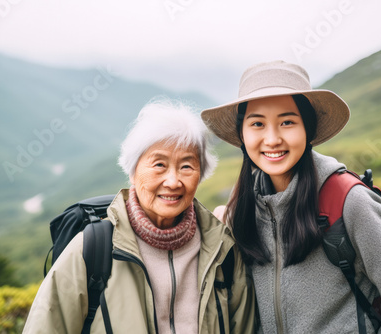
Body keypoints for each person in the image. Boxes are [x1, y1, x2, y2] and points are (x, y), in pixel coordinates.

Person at [200, 60, 381, 333]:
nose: (272, 139)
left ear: (308, 128)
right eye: (257, 124)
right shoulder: (242, 210)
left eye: (287, 121)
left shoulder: (349, 202)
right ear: (242, 134)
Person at [23, 99, 256, 333]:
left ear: (200, 174)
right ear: (133, 171)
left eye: (187, 166)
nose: (173, 181)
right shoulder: (93, 250)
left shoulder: (222, 249)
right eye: (159, 165)